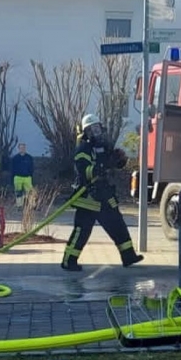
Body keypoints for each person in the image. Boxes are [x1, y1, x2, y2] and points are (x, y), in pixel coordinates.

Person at [61, 114, 144, 272]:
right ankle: (68, 261)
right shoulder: (83, 148)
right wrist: (101, 167)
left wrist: (119, 160)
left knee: (118, 225)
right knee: (82, 231)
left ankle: (128, 256)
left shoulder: (105, 146)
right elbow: (84, 170)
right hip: (88, 196)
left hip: (105, 194)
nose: (96, 132)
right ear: (86, 132)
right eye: (92, 129)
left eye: (98, 128)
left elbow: (112, 164)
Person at [10, 142, 35, 208]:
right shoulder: (15, 158)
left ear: (25, 148)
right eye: (21, 148)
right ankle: (19, 205)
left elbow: (32, 167)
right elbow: (12, 168)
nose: (22, 149)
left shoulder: (29, 158)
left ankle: (32, 205)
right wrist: (13, 177)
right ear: (19, 149)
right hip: (18, 177)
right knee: (18, 192)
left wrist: (30, 174)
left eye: (23, 148)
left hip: (27, 177)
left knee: (30, 192)